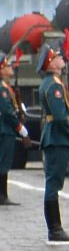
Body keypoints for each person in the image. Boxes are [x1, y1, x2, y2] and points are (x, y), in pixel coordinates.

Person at [38, 47, 69, 243]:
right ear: (51, 63)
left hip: (56, 137)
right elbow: (58, 116)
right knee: (53, 184)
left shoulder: (53, 83)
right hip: (57, 138)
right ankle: (55, 229)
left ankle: (55, 228)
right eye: (58, 57)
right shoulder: (54, 86)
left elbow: (60, 109)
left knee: (54, 183)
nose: (61, 58)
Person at [0, 50, 26, 207]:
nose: (11, 68)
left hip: (5, 128)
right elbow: (7, 111)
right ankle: (2, 195)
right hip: (5, 129)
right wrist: (19, 127)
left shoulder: (6, 87)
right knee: (3, 162)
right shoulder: (2, 89)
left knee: (4, 162)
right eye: (8, 66)